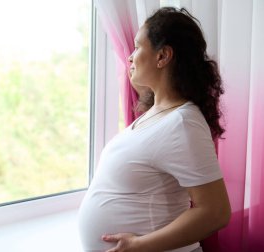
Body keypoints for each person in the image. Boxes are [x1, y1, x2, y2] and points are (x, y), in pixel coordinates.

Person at [78, 7, 231, 252]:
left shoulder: (183, 123)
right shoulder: (157, 115)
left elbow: (216, 212)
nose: (130, 57)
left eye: (138, 47)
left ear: (163, 57)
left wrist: (139, 245)